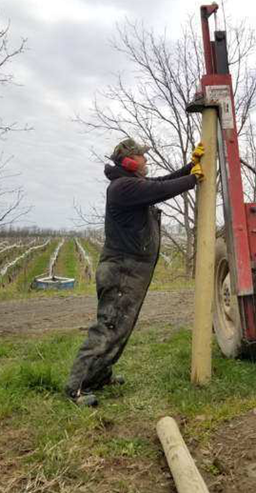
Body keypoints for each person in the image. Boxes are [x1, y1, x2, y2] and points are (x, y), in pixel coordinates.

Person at [65, 138, 205, 406]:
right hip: (122, 270)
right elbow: (160, 190)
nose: (147, 161)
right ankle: (76, 387)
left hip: (128, 270)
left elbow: (159, 183)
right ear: (130, 161)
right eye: (142, 157)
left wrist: (191, 167)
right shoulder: (123, 187)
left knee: (120, 326)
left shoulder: (130, 184)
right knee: (110, 326)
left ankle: (99, 377)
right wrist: (193, 179)